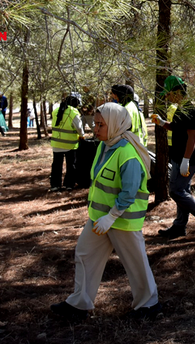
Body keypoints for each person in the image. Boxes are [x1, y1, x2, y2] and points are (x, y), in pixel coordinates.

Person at [50, 102, 161, 321]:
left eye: (101, 125)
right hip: (99, 220)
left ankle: (149, 305)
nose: (95, 129)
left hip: (122, 221)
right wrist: (103, 217)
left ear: (115, 124)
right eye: (95, 124)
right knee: (84, 254)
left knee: (135, 263)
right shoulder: (105, 145)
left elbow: (129, 192)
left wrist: (112, 216)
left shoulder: (128, 154)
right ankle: (80, 304)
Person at [152, 75, 195, 240]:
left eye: (168, 94)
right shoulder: (180, 108)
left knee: (176, 190)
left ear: (177, 91)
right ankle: (180, 226)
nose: (166, 97)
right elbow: (176, 128)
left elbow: (192, 137)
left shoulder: (189, 110)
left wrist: (186, 160)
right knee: (183, 191)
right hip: (179, 157)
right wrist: (162, 123)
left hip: (187, 159)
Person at [50, 95, 85, 192]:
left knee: (56, 165)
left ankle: (55, 185)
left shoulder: (56, 110)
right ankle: (69, 184)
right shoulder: (73, 112)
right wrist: (82, 135)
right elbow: (79, 127)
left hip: (56, 144)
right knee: (71, 165)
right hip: (70, 144)